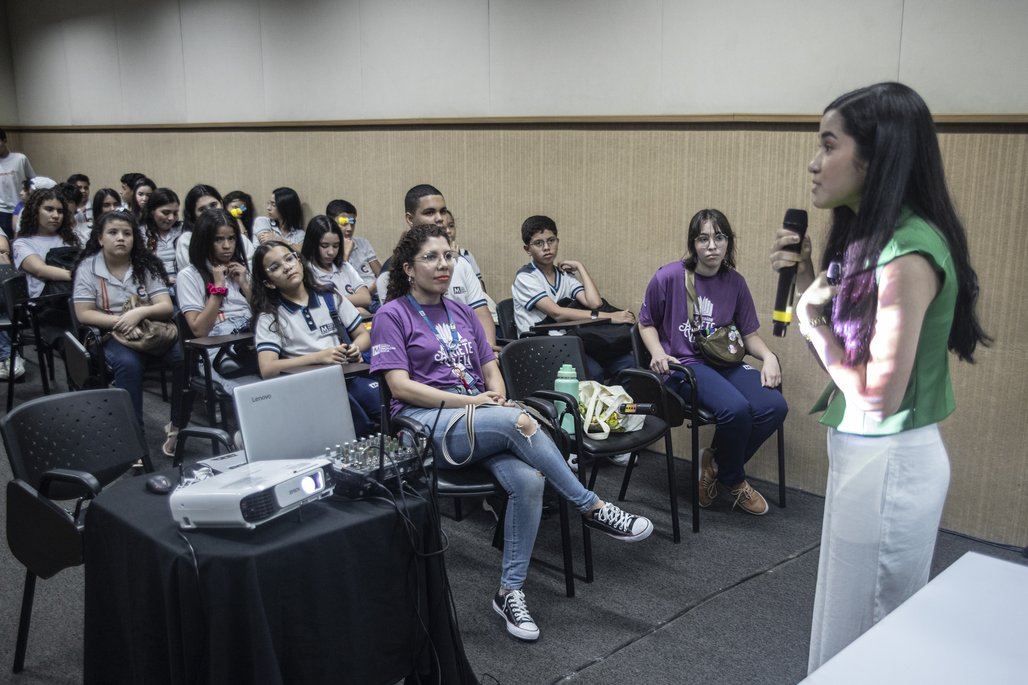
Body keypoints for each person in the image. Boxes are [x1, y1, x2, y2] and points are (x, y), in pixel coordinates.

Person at [768, 82, 990, 673]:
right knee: (846, 631)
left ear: (876, 156)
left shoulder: (908, 254)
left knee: (866, 643)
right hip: (868, 457)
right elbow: (848, 373)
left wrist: (813, 322)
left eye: (828, 144)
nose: (814, 163)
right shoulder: (869, 241)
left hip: (890, 465)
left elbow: (877, 397)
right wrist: (815, 281)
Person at [371, 224, 654, 642]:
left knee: (528, 479)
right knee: (520, 422)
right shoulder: (392, 314)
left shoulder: (461, 311)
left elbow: (490, 369)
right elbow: (400, 387)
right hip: (427, 425)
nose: (444, 264)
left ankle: (510, 592)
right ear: (409, 269)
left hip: (480, 419)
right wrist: (480, 405)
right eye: (431, 257)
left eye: (448, 255)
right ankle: (591, 507)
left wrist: (496, 398)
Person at [639, 208, 787, 516]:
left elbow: (748, 334)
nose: (712, 246)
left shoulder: (735, 282)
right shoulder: (668, 276)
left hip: (724, 360)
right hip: (684, 365)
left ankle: (715, 463)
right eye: (703, 238)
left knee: (774, 406)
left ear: (728, 242)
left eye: (719, 238)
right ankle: (734, 480)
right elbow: (646, 322)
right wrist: (657, 353)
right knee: (736, 410)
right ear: (693, 243)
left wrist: (769, 357)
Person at [72, 210, 189, 455]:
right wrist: (122, 322)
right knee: (129, 365)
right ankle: (135, 440)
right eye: (113, 233)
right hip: (109, 333)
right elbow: (84, 314)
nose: (121, 238)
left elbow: (165, 306)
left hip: (150, 329)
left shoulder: (145, 264)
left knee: (183, 357)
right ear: (100, 238)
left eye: (127, 233)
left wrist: (138, 315)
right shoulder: (87, 267)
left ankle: (178, 426)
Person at [251, 240, 380, 437]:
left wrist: (355, 348)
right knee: (358, 424)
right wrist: (318, 357)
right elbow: (267, 368)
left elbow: (363, 335)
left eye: (289, 259)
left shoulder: (328, 296)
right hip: (308, 387)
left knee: (382, 406)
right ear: (268, 282)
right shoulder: (271, 316)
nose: (287, 267)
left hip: (346, 375)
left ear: (299, 262)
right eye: (275, 267)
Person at [512, 214, 635, 380]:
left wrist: (580, 267)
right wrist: (610, 317)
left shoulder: (564, 275)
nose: (547, 247)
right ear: (527, 249)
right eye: (538, 243)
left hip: (571, 341)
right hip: (540, 344)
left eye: (551, 240)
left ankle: (615, 405)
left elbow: (594, 303)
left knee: (629, 364)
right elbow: (557, 313)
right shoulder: (526, 277)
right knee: (594, 372)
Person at [377, 185, 498, 349]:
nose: (440, 218)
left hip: (469, 351)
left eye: (442, 211)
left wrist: (488, 350)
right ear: (410, 219)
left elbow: (481, 312)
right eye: (430, 212)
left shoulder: (460, 263)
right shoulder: (391, 270)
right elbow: (393, 330)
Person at [176, 208, 259, 390]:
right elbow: (200, 331)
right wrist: (218, 288)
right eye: (218, 239)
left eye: (231, 238)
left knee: (283, 377)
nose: (227, 246)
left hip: (252, 340)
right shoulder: (189, 276)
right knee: (254, 392)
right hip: (216, 349)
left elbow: (264, 316)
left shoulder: (242, 271)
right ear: (204, 241)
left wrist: (245, 285)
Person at [13, 187, 81, 298]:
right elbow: (40, 270)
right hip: (46, 303)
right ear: (35, 211)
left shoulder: (70, 237)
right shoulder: (22, 243)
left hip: (77, 295)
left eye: (60, 211)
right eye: (49, 209)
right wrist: (79, 276)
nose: (56, 216)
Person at [300, 214, 373, 317]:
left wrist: (332, 301)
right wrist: (355, 308)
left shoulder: (344, 267)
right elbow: (317, 308)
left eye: (336, 246)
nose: (331, 252)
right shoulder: (306, 272)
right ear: (312, 244)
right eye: (324, 246)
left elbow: (366, 298)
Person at [175, 184, 255, 275]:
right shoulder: (186, 241)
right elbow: (190, 276)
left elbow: (252, 274)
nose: (210, 211)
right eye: (202, 209)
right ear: (194, 216)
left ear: (221, 203)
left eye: (213, 205)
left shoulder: (241, 239)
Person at [326, 198, 381, 307]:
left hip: (377, 294)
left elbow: (380, 272)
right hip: (356, 300)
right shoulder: (329, 250)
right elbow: (339, 280)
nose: (349, 228)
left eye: (352, 222)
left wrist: (379, 284)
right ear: (330, 223)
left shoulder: (362, 243)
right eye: (344, 223)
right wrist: (345, 253)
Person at [140, 188, 181, 284]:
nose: (171, 218)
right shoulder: (140, 234)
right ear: (152, 211)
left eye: (175, 213)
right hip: (153, 283)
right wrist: (164, 279)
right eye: (165, 213)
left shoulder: (182, 230)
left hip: (183, 283)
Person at [0, 128, 35, 238]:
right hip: (2, 210)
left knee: (23, 239)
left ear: (4, 140)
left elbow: (33, 180)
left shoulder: (20, 159)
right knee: (6, 241)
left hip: (22, 206)